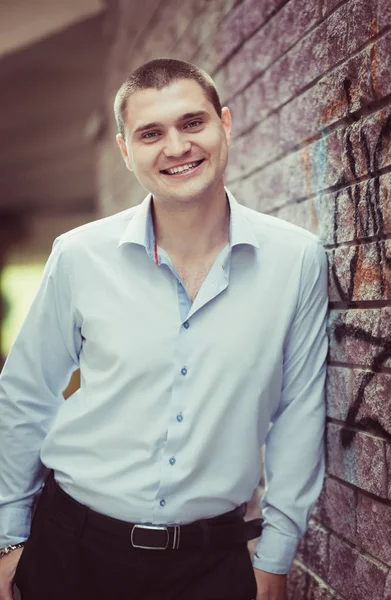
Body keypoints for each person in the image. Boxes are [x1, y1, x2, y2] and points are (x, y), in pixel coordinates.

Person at [0, 58, 328, 600]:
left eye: (192, 123)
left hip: (212, 566)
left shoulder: (297, 261)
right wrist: (9, 538)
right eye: (151, 133)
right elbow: (26, 394)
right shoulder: (80, 256)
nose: (176, 147)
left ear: (225, 124)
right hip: (71, 550)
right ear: (127, 151)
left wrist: (276, 553)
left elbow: (299, 410)